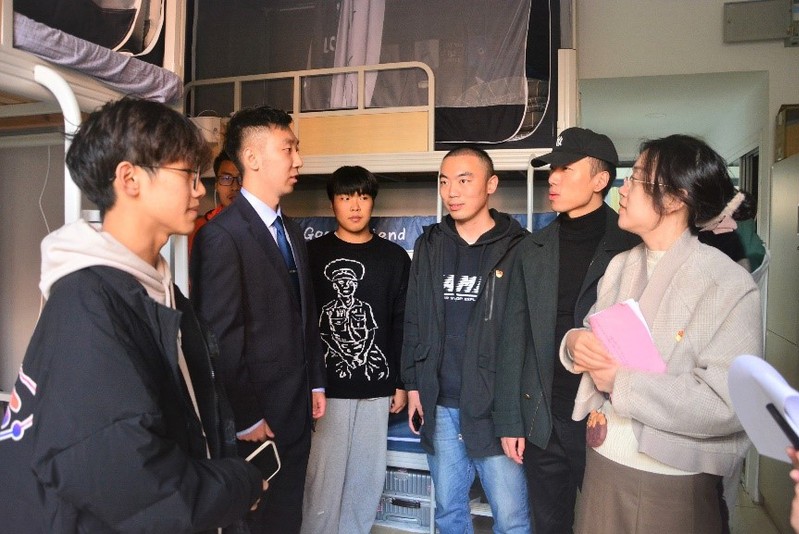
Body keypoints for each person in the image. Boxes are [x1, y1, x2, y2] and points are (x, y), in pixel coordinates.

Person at [0, 97, 265, 533]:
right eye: (188, 175)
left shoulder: (158, 290)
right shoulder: (85, 303)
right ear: (130, 179)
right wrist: (240, 484)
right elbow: (132, 483)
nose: (200, 190)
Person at [561, 134, 762, 533]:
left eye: (636, 178)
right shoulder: (620, 265)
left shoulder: (727, 283)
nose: (623, 189)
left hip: (671, 481)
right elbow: (594, 331)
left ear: (674, 199)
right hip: (603, 462)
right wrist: (574, 343)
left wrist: (621, 382)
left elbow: (731, 402)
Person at [494, 127, 640, 533]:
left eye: (565, 169)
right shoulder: (532, 249)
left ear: (600, 179)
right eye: (552, 170)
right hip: (544, 416)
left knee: (608, 523)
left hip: (607, 414)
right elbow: (514, 337)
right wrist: (511, 420)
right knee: (549, 523)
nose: (553, 179)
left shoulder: (632, 245)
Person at [190, 105, 326, 534]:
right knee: (256, 522)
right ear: (252, 158)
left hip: (297, 409)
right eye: (288, 149)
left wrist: (316, 382)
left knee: (288, 517)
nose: (298, 160)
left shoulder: (292, 231)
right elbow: (220, 341)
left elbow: (305, 314)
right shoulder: (221, 236)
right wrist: (247, 418)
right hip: (257, 421)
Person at [401, 146, 531, 534]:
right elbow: (414, 318)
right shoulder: (430, 244)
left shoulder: (519, 247)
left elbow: (525, 336)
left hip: (496, 406)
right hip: (440, 403)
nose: (452, 192)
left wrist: (517, 410)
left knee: (512, 518)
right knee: (449, 511)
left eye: (464, 180)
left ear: (491, 185)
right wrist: (413, 385)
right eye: (444, 181)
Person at [301, 165, 410, 534]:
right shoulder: (311, 254)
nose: (355, 205)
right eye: (345, 197)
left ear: (372, 201)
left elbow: (400, 323)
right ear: (332, 202)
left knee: (365, 481)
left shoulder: (394, 257)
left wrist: (400, 381)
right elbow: (301, 324)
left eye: (362, 196)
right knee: (322, 482)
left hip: (377, 389)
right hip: (325, 391)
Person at [188, 150, 242, 254]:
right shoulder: (199, 228)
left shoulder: (264, 225)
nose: (235, 187)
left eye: (241, 178)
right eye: (226, 178)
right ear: (216, 184)